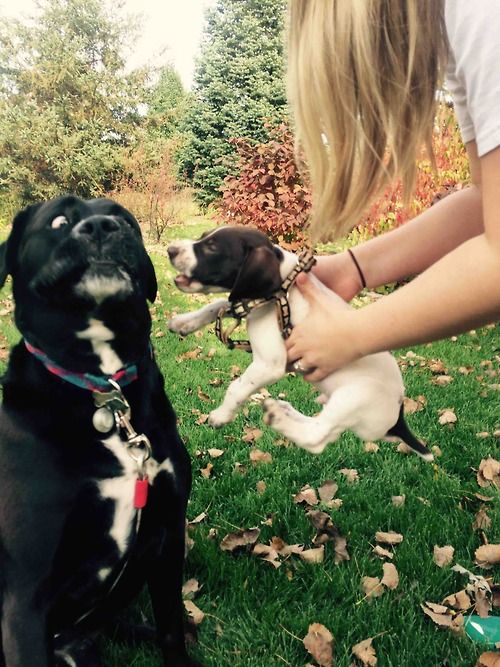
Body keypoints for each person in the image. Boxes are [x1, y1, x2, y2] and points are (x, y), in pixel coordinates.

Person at [284, 0, 500, 383]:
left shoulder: (479, 14)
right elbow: (485, 203)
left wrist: (353, 334)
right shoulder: (456, 22)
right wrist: (354, 267)